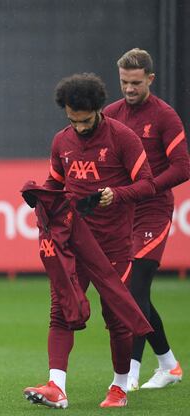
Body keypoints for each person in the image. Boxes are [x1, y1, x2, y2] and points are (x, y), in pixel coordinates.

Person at [23, 73, 156, 409]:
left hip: (113, 245)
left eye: (84, 121)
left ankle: (120, 387)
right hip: (72, 242)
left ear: (98, 110)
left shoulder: (123, 138)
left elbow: (148, 184)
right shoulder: (61, 141)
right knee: (61, 311)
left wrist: (118, 194)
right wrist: (37, 195)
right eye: (72, 121)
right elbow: (54, 184)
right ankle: (57, 387)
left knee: (116, 318)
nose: (79, 127)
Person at [103, 48, 188, 390]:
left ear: (150, 79)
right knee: (132, 292)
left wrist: (147, 187)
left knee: (131, 289)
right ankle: (168, 363)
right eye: (124, 82)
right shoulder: (109, 114)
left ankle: (129, 375)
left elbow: (182, 168)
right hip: (122, 212)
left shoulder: (165, 116)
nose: (129, 89)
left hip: (153, 210)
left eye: (136, 83)